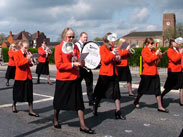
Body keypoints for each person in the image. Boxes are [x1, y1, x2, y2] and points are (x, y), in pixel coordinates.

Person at [53, 27, 95, 134]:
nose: (71, 39)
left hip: (75, 78)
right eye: (69, 37)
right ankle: (56, 119)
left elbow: (79, 58)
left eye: (73, 37)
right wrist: (72, 64)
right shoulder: (58, 48)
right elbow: (59, 65)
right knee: (59, 101)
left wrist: (82, 61)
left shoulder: (75, 46)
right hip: (63, 79)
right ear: (64, 37)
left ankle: (83, 125)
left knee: (79, 102)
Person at [93, 32, 126, 120]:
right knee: (100, 93)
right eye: (111, 40)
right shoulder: (102, 48)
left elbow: (117, 61)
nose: (113, 42)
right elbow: (105, 60)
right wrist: (112, 53)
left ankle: (118, 112)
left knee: (116, 93)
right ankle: (95, 107)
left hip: (114, 73)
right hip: (105, 74)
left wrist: (118, 59)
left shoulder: (113, 48)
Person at [133, 37, 168, 113]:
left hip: (155, 72)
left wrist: (160, 56)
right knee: (142, 90)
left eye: (153, 43)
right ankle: (136, 100)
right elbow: (148, 60)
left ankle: (160, 106)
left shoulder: (153, 50)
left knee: (157, 90)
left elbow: (156, 62)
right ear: (147, 44)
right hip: (147, 73)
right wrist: (156, 54)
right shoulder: (144, 51)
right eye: (151, 43)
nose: (152, 45)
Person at [12, 40, 39, 117]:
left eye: (27, 47)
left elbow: (29, 64)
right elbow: (19, 64)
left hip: (28, 76)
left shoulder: (28, 53)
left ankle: (31, 110)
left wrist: (32, 61)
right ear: (21, 46)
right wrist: (27, 58)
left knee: (29, 94)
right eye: (25, 48)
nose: (27, 49)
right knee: (17, 93)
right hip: (20, 76)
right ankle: (14, 105)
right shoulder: (16, 53)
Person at [161, 38, 183, 106]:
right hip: (173, 71)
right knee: (169, 87)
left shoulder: (177, 50)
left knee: (182, 86)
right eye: (175, 42)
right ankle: (161, 96)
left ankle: (181, 101)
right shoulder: (170, 50)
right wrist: (181, 53)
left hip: (179, 70)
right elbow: (175, 59)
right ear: (172, 43)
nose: (177, 43)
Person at [75, 32, 94, 106]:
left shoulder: (88, 45)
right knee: (77, 85)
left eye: (86, 37)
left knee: (89, 84)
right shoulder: (76, 45)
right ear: (80, 37)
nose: (86, 39)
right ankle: (78, 100)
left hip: (87, 67)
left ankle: (91, 100)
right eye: (84, 37)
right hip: (80, 67)